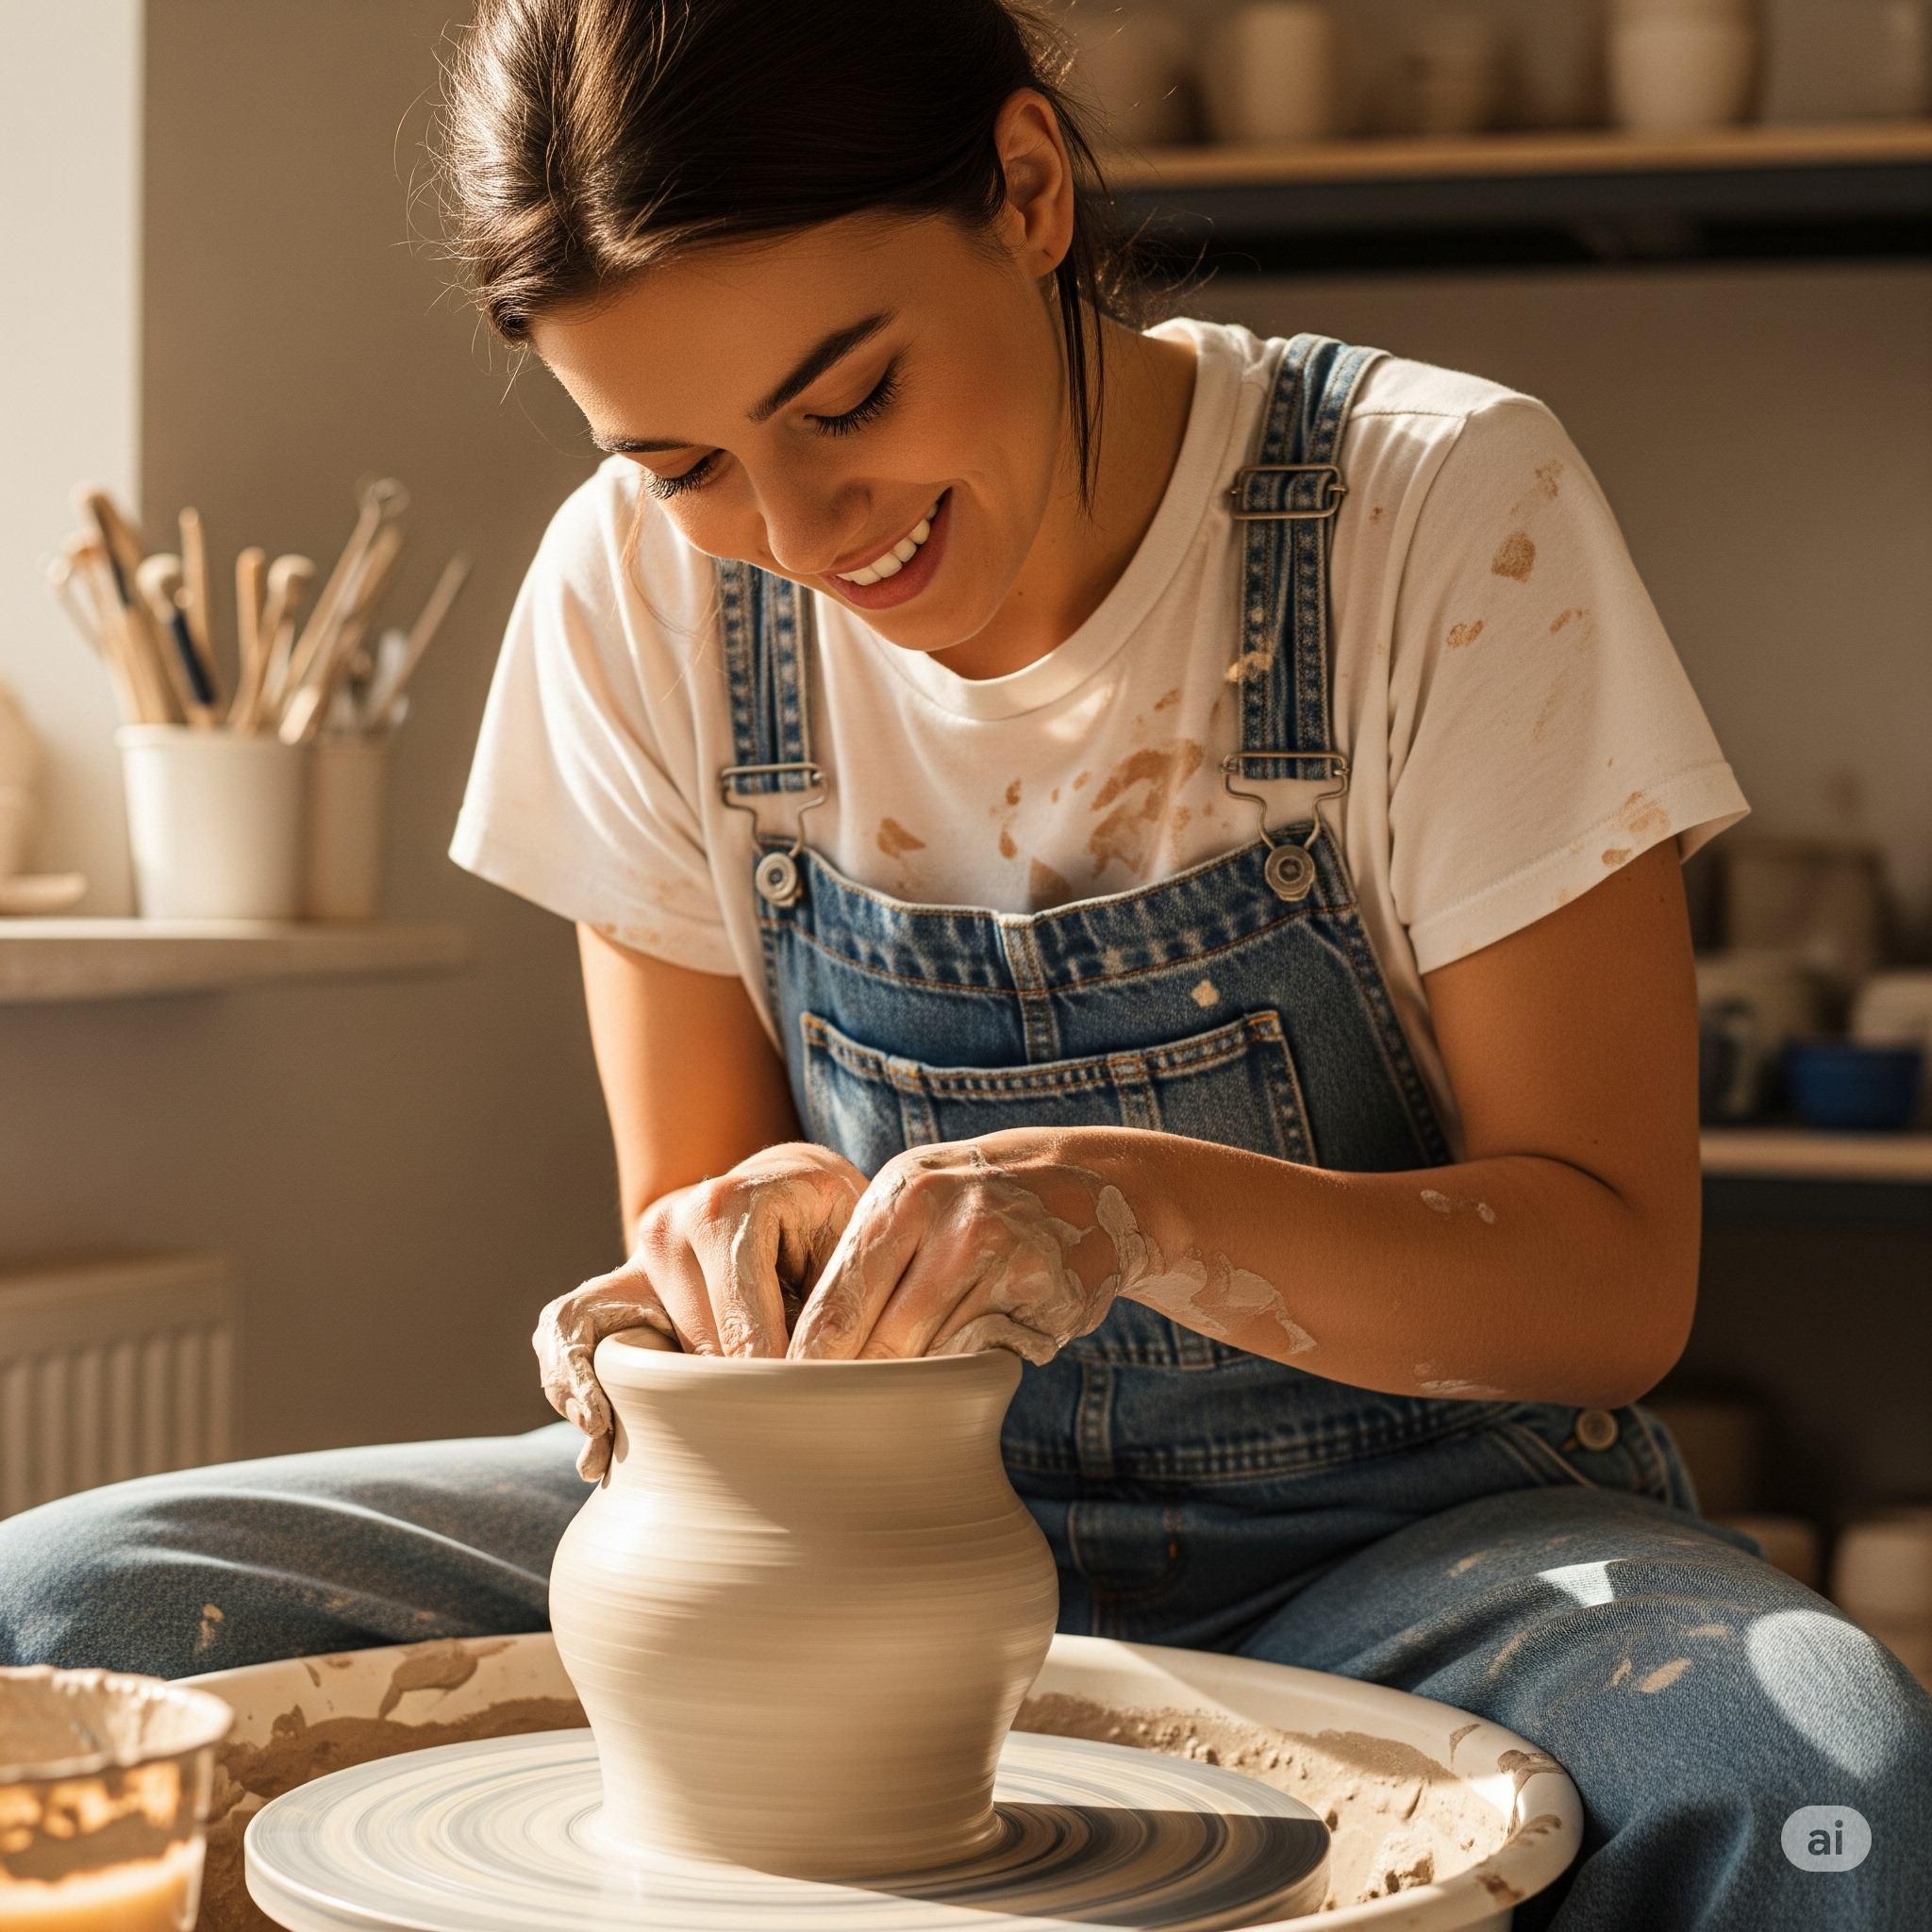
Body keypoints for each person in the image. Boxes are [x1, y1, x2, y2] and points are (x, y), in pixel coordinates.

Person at [2, 1, 1926, 1923]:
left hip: (1414, 1549)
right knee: (62, 1613)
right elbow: (695, 1212)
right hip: (833, 1525)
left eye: (842, 402)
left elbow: (1608, 1275)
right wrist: (734, 1233)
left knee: (1826, 1783)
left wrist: (1128, 1209)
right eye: (682, 460)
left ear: (1026, 190)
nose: (796, 533)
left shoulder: (1430, 509)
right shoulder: (631, 589)